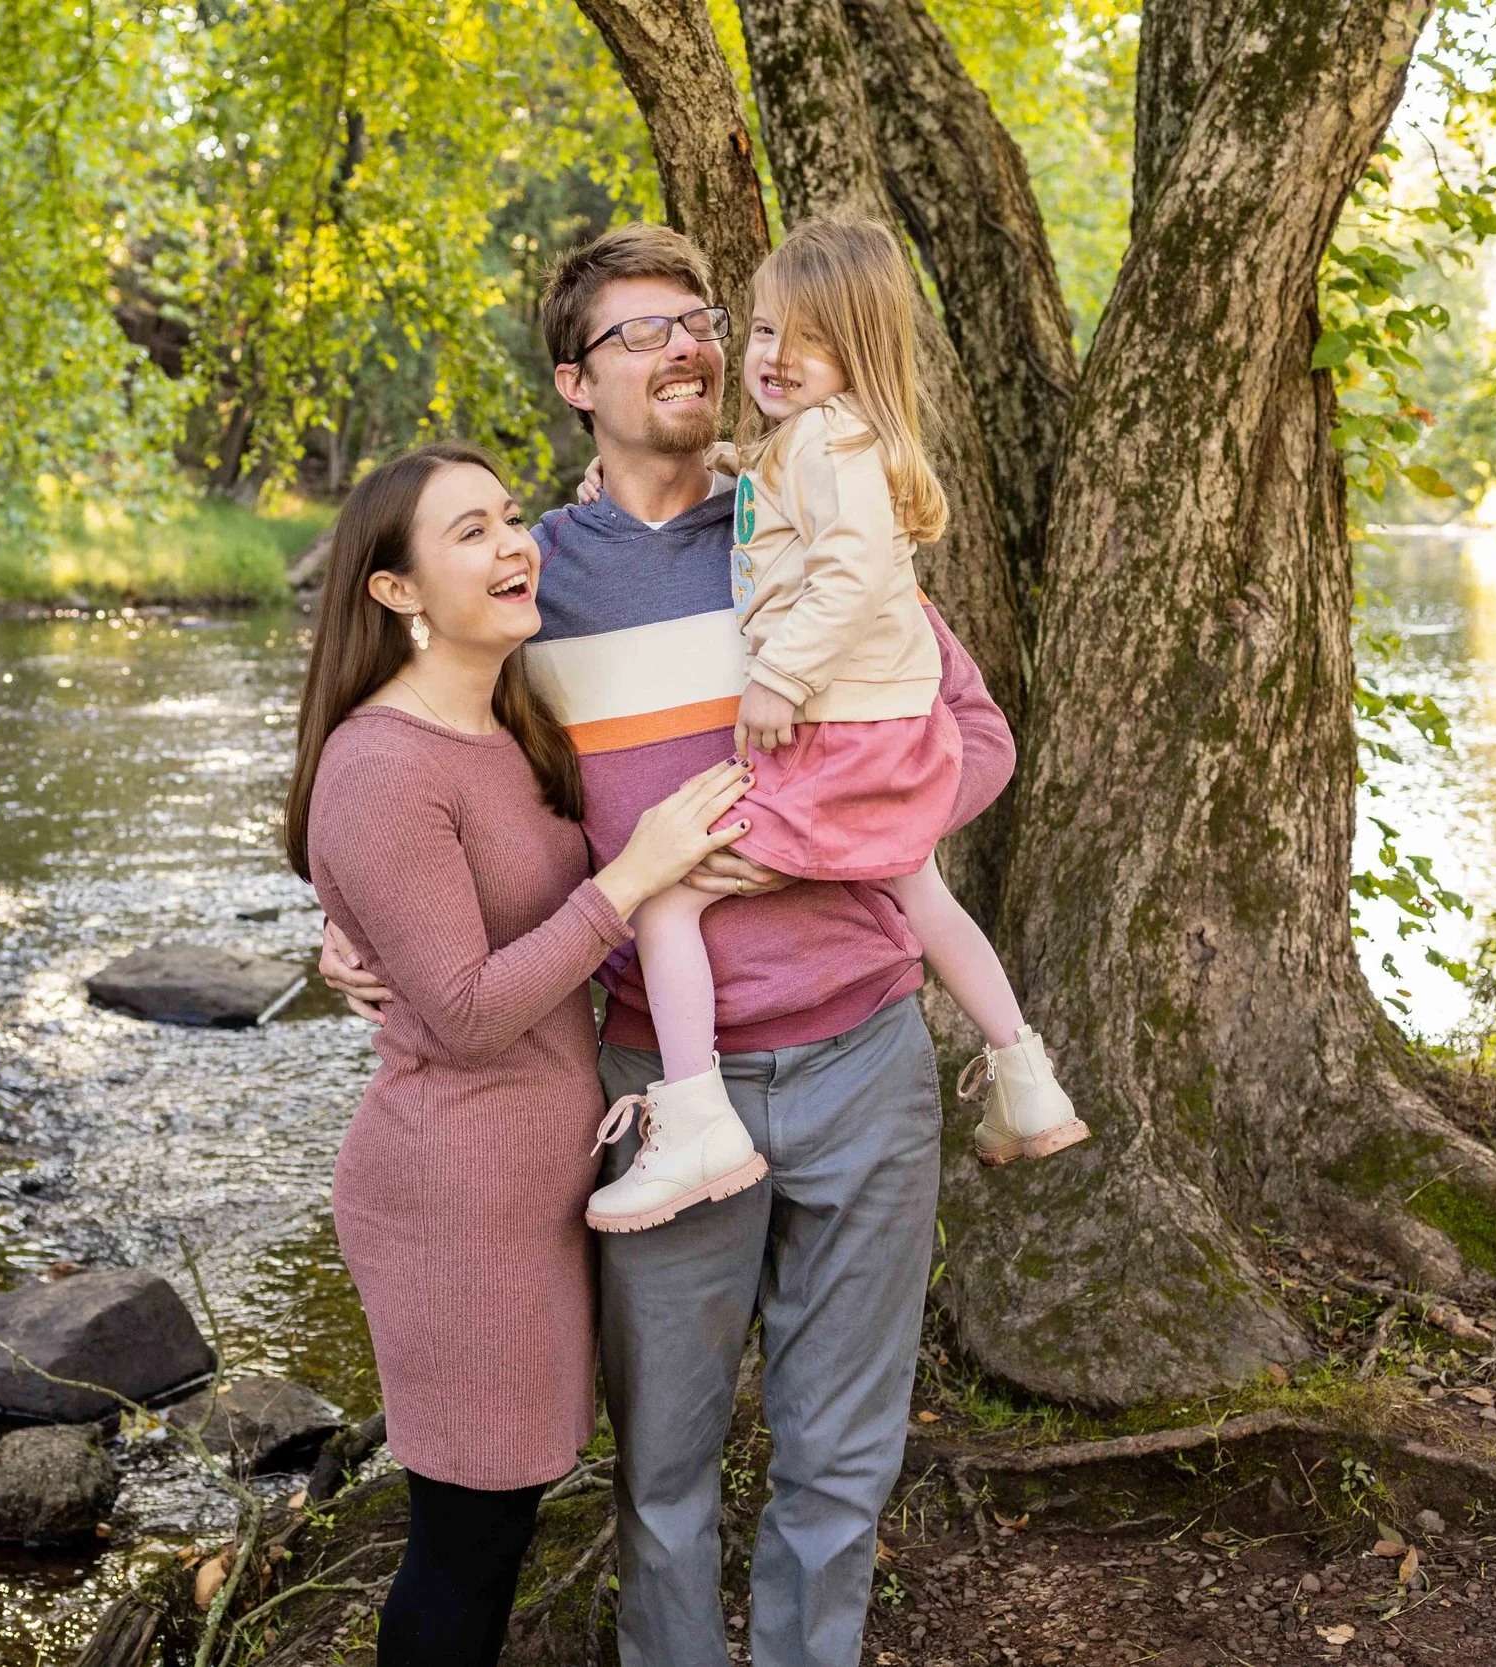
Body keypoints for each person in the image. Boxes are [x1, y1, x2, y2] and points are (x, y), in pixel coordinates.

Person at [321, 222, 1021, 1667]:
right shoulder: (532, 581)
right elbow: (430, 780)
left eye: (699, 318)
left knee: (840, 1462)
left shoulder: (820, 519)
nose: (690, 346)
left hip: (865, 1054)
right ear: (577, 383)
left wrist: (810, 849)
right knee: (660, 1474)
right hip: (658, 1079)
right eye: (640, 332)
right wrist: (344, 926)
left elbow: (979, 742)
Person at [284, 441, 757, 1667]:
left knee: (499, 1520)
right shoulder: (383, 761)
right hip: (454, 1198)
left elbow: (441, 918)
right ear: (393, 591)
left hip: (539, 1178)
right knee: (467, 1534)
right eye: (470, 534)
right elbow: (467, 1009)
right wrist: (632, 879)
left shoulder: (504, 716)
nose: (512, 546)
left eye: (511, 518)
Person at [576, 218, 1086, 1237]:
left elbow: (850, 572)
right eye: (763, 331)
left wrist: (779, 675)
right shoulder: (819, 445)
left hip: (839, 731)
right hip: (883, 734)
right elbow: (788, 508)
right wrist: (715, 459)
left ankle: (693, 1120)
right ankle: (1025, 1073)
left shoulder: (832, 440)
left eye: (806, 340)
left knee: (667, 898)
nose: (772, 357)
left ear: (860, 352)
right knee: (922, 889)